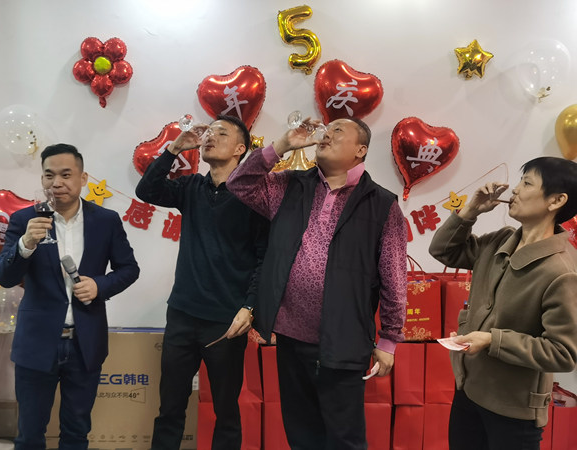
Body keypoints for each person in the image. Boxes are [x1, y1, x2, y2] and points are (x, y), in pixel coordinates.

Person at [226, 117, 407, 449]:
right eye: (327, 128)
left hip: (344, 340)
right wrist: (282, 145)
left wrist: (389, 340)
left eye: (338, 130)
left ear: (360, 150)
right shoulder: (290, 185)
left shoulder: (382, 204)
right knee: (301, 434)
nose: (327, 134)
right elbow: (239, 183)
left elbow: (394, 276)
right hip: (291, 337)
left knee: (344, 438)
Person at [135, 114, 268, 450]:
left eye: (221, 133)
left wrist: (250, 306)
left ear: (240, 149)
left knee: (226, 410)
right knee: (170, 408)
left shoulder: (254, 195)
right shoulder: (191, 186)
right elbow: (146, 190)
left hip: (226, 321)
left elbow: (265, 257)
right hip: (182, 314)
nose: (211, 137)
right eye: (209, 132)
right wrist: (173, 149)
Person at [0, 143, 140, 450]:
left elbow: (129, 269)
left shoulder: (106, 220)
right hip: (37, 343)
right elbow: (4, 277)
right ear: (42, 178)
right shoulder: (25, 220)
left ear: (83, 178)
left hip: (84, 343)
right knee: (29, 435)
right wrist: (25, 244)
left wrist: (99, 285)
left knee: (76, 433)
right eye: (49, 175)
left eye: (65, 174)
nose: (57, 182)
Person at [429, 157, 577, 450]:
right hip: (469, 390)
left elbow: (562, 353)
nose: (516, 190)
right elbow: (443, 251)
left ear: (556, 201)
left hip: (514, 410)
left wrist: (492, 340)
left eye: (527, 183)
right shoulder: (501, 240)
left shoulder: (562, 270)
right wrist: (470, 211)